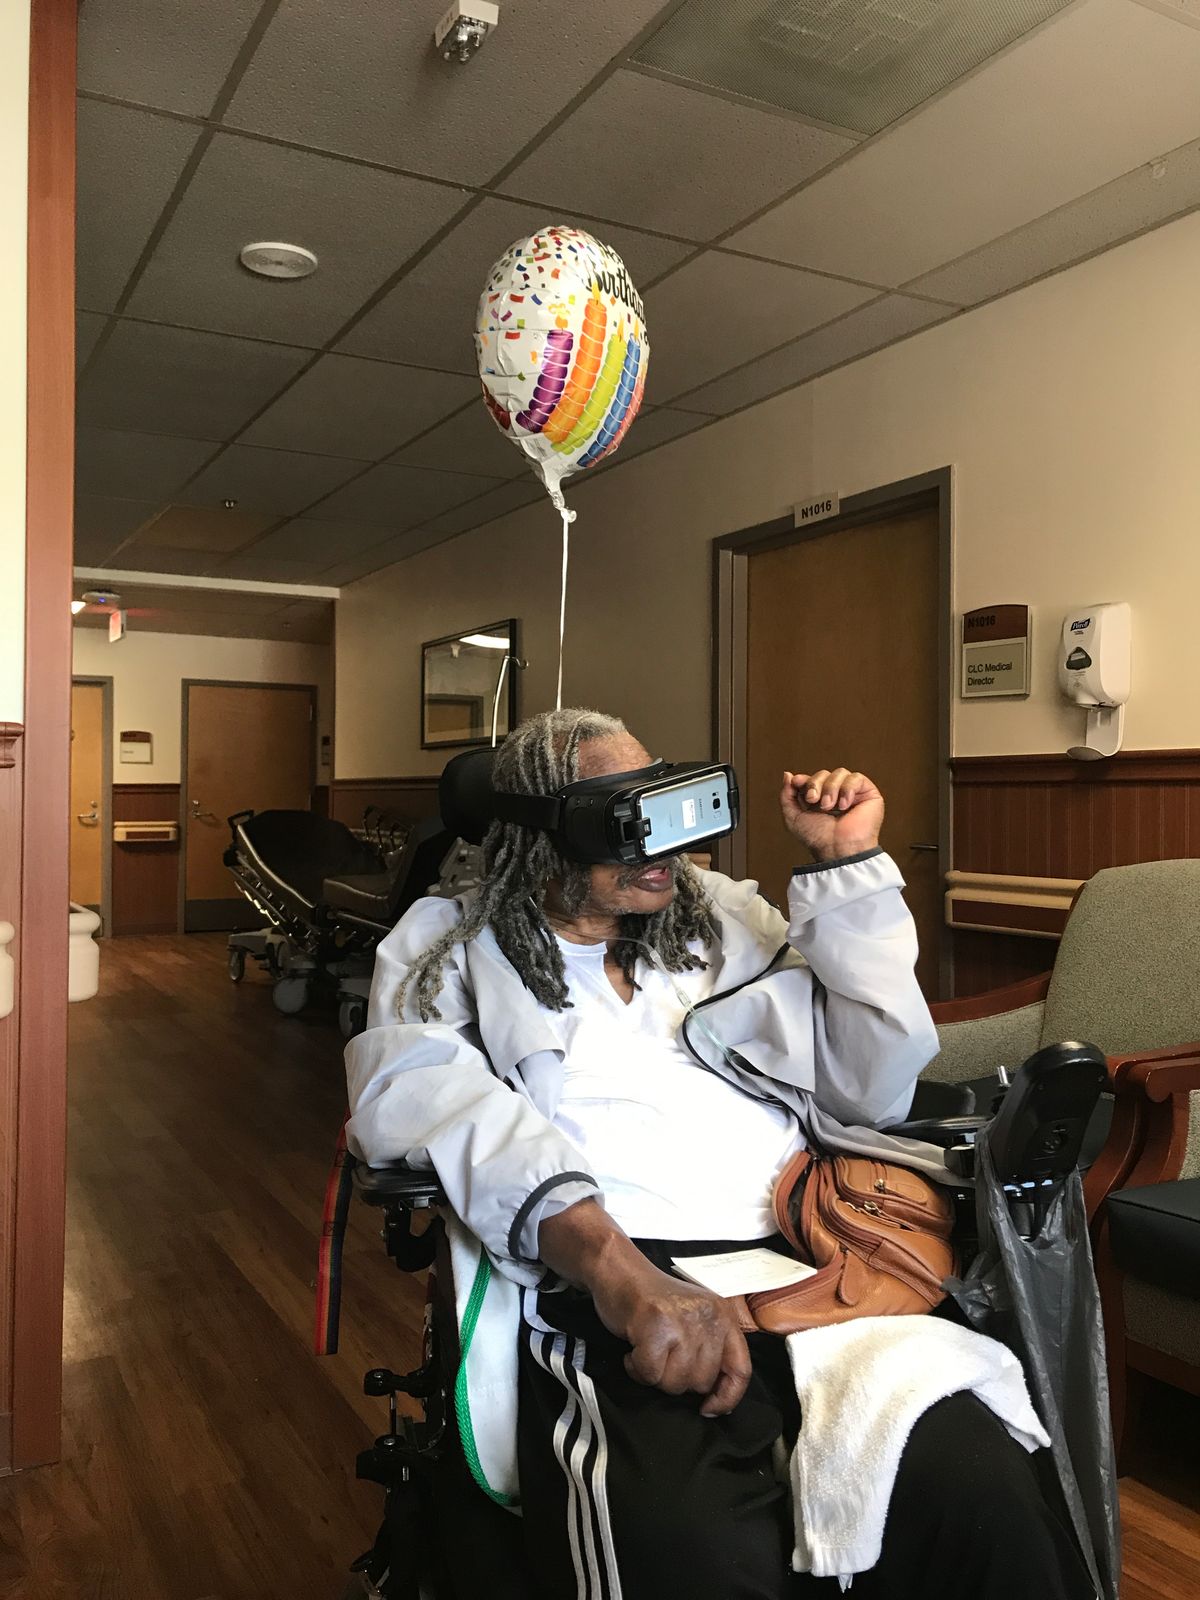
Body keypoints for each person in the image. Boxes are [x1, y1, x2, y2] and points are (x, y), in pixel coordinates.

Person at [345, 708, 1093, 1600]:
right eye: (626, 823)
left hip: (809, 1252)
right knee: (686, 1550)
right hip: (608, 1272)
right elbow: (428, 1098)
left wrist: (845, 867)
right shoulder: (448, 947)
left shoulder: (721, 921)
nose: (664, 848)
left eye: (669, 807)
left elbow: (871, 1088)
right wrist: (618, 1272)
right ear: (541, 836)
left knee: (993, 1503)